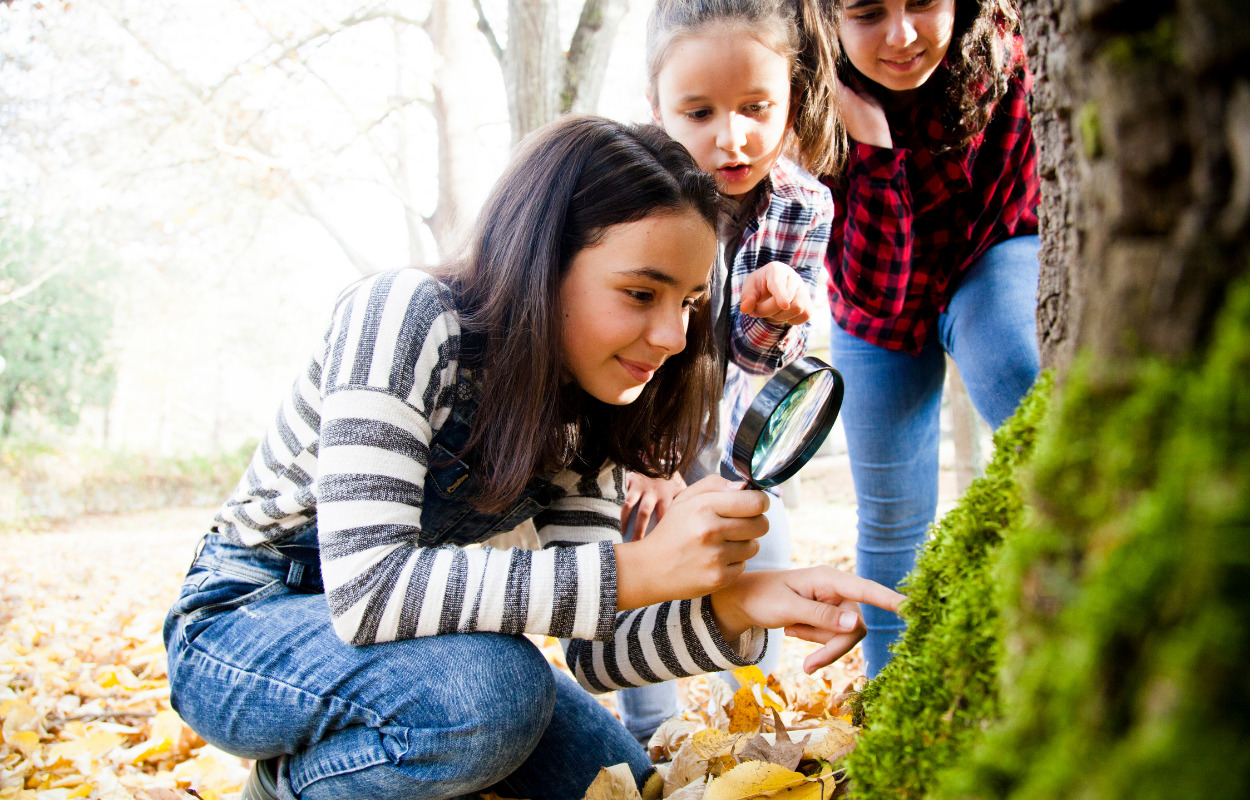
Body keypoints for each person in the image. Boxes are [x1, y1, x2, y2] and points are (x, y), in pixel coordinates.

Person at [163, 115, 904, 800]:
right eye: (641, 292)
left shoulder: (588, 402)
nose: (675, 336)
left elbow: (595, 650)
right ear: (543, 263)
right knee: (491, 698)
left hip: (426, 649)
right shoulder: (403, 315)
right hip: (246, 621)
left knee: (617, 779)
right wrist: (643, 567)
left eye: (686, 302)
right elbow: (370, 590)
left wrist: (739, 604)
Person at [613, 0, 840, 744]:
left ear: (788, 101)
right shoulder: (631, 199)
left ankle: (758, 725)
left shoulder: (804, 205)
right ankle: (653, 734)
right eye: (699, 112)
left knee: (753, 547)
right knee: (649, 550)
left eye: (755, 107)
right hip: (646, 414)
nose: (732, 137)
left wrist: (774, 316)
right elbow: (616, 344)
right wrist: (646, 457)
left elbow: (756, 361)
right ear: (656, 111)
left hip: (739, 418)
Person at [821, 0, 1040, 676]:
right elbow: (874, 287)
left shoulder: (1001, 58)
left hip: (987, 248)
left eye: (922, 2)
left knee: (1015, 364)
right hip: (874, 309)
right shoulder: (805, 101)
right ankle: (891, 695)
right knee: (890, 518)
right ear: (827, 18)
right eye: (869, 13)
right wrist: (870, 144)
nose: (903, 34)